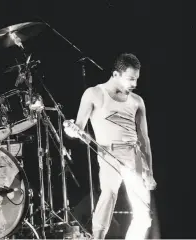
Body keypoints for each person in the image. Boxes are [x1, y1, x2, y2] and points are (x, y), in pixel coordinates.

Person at [64, 53, 157, 240]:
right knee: (108, 195)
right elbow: (79, 128)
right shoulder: (94, 94)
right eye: (130, 79)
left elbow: (144, 139)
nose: (134, 84)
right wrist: (70, 129)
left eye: (136, 79)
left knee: (144, 216)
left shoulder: (137, 101)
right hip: (109, 152)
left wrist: (150, 172)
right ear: (116, 74)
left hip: (135, 156)